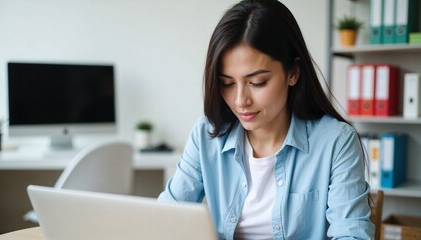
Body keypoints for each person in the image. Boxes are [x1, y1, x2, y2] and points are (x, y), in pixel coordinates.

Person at [158, 0, 375, 239]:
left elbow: (351, 234)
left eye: (257, 82)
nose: (240, 100)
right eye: (227, 83)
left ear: (293, 72)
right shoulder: (207, 134)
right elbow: (165, 217)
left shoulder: (336, 142)